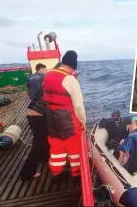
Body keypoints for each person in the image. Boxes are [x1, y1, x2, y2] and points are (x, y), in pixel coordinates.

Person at [43, 50, 86, 181]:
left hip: (50, 115)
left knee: (56, 144)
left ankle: (56, 173)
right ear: (73, 66)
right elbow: (78, 105)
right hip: (66, 117)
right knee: (74, 145)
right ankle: (76, 174)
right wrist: (83, 121)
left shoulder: (48, 75)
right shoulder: (70, 79)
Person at [19, 63, 49, 181]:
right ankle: (26, 174)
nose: (46, 71)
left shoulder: (30, 77)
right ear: (42, 69)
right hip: (37, 114)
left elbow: (27, 89)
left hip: (32, 109)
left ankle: (44, 158)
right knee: (39, 143)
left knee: (41, 139)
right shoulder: (44, 77)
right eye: (46, 69)